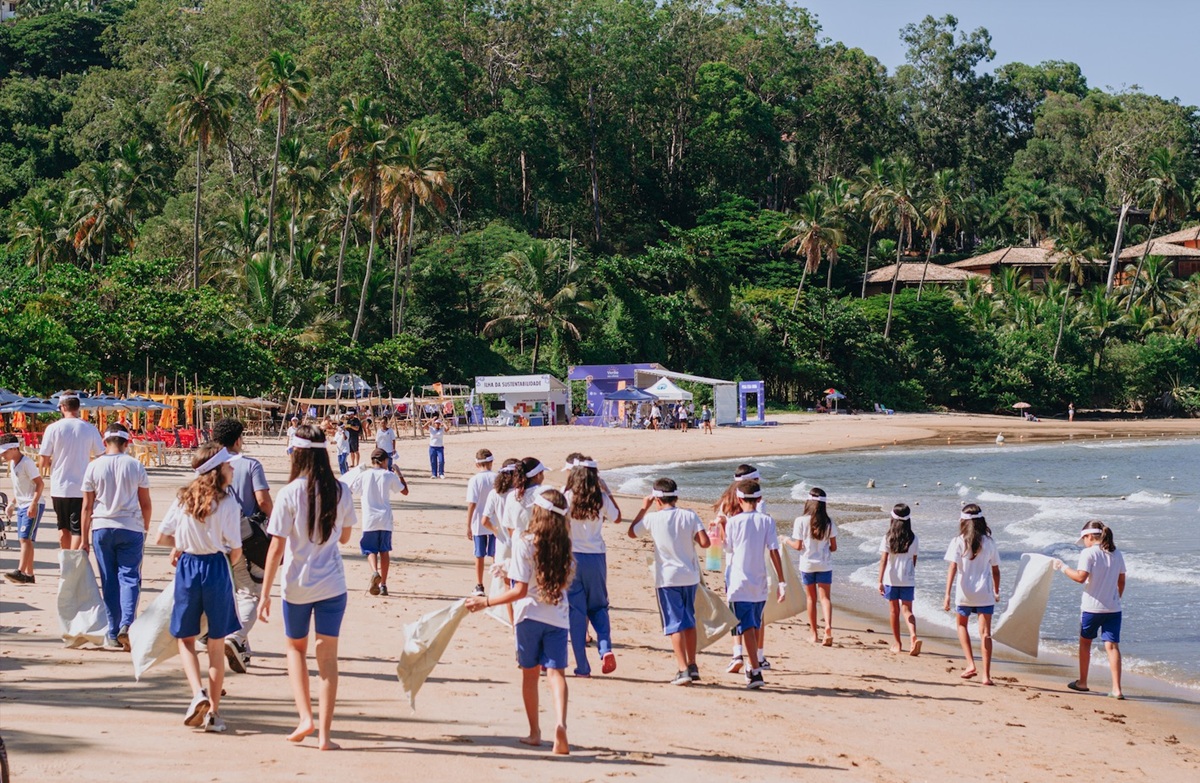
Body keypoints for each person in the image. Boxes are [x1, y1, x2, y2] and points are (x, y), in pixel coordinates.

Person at [258, 424, 357, 751]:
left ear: (296, 453)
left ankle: (305, 717)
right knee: (328, 659)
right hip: (331, 584)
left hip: (296, 585)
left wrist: (264, 595)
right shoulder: (341, 490)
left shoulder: (288, 493)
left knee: (296, 650)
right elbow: (344, 538)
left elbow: (276, 549)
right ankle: (326, 737)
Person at [465, 489, 573, 755]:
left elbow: (520, 591)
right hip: (558, 617)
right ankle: (560, 724)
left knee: (529, 676)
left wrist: (486, 602)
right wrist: (509, 571)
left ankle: (535, 733)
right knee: (556, 674)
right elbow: (555, 582)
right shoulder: (566, 544)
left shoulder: (525, 541)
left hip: (528, 617)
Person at [155, 443, 243, 733]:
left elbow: (162, 537)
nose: (232, 469)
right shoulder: (229, 503)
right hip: (217, 568)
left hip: (189, 567)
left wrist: (181, 547)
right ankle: (214, 714)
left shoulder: (183, 499)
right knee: (216, 645)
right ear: (217, 471)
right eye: (228, 466)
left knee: (186, 638)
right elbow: (235, 549)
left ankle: (197, 694)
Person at [627, 478, 710, 685]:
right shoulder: (690, 515)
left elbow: (632, 532)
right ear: (676, 496)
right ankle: (692, 664)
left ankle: (682, 670)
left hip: (667, 578)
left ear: (656, 499)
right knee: (689, 621)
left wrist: (642, 508)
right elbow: (705, 542)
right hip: (689, 576)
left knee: (675, 624)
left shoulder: (653, 519)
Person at [80, 423, 152, 650]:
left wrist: (83, 538)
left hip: (101, 527)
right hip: (131, 527)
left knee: (109, 581)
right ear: (126, 443)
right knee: (130, 577)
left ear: (104, 442)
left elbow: (86, 507)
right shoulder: (135, 465)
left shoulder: (93, 467)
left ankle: (112, 632)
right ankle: (127, 624)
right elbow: (146, 503)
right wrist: (145, 528)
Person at [211, 417, 274, 673]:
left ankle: (243, 650)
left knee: (232, 594)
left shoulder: (209, 465)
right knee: (250, 592)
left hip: (213, 540)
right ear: (238, 439)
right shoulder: (250, 465)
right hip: (246, 539)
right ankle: (236, 637)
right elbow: (263, 501)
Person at [1054, 520, 1126, 699]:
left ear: (1089, 536)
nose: (1083, 543)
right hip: (1113, 609)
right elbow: (1122, 580)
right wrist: (1116, 597)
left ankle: (1083, 682)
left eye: (1084, 539)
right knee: (1112, 646)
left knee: (1085, 644)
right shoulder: (1116, 553)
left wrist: (1062, 567)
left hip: (1092, 608)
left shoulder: (1089, 553)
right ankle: (1117, 689)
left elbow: (1080, 577)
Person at [563, 456, 622, 677]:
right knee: (599, 606)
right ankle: (605, 648)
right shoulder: (601, 499)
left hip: (572, 557)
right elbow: (617, 518)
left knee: (576, 612)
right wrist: (608, 492)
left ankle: (582, 666)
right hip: (596, 557)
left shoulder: (567, 496)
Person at [724, 480, 785, 688]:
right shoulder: (767, 521)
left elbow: (728, 549)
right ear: (759, 499)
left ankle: (755, 671)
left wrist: (720, 529)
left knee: (747, 627)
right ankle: (753, 666)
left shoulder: (733, 522)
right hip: (760, 581)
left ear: (739, 499)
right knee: (755, 624)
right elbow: (774, 550)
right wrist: (782, 581)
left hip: (739, 581)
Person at [715, 464, 772, 671]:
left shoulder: (726, 503)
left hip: (732, 564)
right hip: (755, 564)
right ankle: (758, 656)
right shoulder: (759, 505)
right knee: (757, 613)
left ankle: (737, 653)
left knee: (736, 610)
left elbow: (723, 539)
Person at [943, 503, 1001, 685]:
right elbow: (996, 570)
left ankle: (970, 664)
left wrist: (947, 595)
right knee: (985, 633)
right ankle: (986, 676)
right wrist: (997, 590)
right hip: (984, 592)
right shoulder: (989, 542)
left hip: (964, 592)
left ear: (963, 521)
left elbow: (952, 567)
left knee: (961, 625)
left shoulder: (958, 541)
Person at [38, 393, 105, 549]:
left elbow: (44, 461)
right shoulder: (89, 428)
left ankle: (65, 563)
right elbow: (101, 456)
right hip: (83, 486)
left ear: (62, 407)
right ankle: (73, 566)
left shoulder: (53, 428)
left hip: (59, 486)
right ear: (78, 408)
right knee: (78, 530)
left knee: (63, 528)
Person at [348, 448, 408, 597]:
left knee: (370, 550)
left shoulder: (364, 475)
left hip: (370, 518)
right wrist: (399, 473)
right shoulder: (389, 475)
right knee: (385, 550)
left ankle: (375, 571)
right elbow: (405, 491)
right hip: (385, 518)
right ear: (384, 461)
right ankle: (384, 585)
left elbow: (350, 490)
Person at [783, 487, 838, 647]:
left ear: (808, 502)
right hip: (824, 564)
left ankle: (814, 634)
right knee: (825, 598)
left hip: (807, 564)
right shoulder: (829, 522)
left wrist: (785, 540)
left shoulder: (801, 521)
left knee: (811, 599)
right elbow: (834, 547)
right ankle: (828, 627)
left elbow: (798, 545)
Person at [876, 503, 921, 656]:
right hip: (907, 579)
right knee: (907, 610)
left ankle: (897, 643)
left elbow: (883, 560)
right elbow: (914, 560)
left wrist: (879, 581)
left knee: (894, 611)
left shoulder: (888, 537)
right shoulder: (914, 538)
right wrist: (910, 574)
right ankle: (913, 635)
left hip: (891, 578)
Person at [1, 435, 44, 584]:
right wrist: (12, 504)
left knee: (24, 538)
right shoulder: (13, 464)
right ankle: (29, 574)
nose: (3, 455)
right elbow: (19, 489)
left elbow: (40, 484)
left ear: (14, 448)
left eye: (5, 452)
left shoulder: (27, 463)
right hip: (22, 503)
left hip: (32, 504)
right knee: (26, 540)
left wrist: (33, 503)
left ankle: (20, 571)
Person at [465, 449, 496, 596]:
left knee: (479, 554)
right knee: (496, 554)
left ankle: (479, 585)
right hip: (495, 521)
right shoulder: (497, 478)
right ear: (491, 462)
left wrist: (468, 525)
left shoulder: (475, 480)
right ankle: (498, 584)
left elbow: (472, 503)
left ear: (477, 464)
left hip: (478, 522)